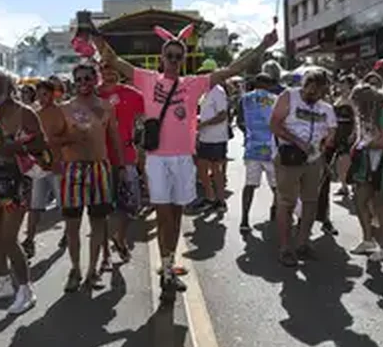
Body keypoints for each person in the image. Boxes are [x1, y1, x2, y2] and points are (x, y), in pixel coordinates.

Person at [95, 23, 278, 302]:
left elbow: (233, 70)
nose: (173, 61)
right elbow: (113, 59)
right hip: (158, 159)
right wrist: (95, 37)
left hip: (183, 158)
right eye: (169, 56)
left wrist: (264, 46)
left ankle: (168, 263)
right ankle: (167, 268)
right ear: (161, 58)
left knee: (178, 214)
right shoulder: (147, 79)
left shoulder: (193, 84)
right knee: (164, 214)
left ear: (183, 60)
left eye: (178, 57)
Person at [0, 67, 50, 314]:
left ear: (11, 87)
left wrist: (17, 148)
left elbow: (42, 144)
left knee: (9, 238)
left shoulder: (26, 113)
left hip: (18, 182)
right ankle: (3, 283)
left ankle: (26, 290)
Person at [58, 63, 124, 291]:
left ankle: (92, 270)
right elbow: (54, 139)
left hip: (99, 169)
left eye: (87, 78)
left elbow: (114, 138)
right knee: (72, 225)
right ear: (74, 82)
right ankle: (75, 269)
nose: (83, 83)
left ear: (95, 80)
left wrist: (122, 167)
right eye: (79, 79)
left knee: (98, 222)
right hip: (72, 169)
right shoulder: (64, 109)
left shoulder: (106, 107)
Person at [270, 70, 337, 266]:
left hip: (314, 160)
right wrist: (298, 142)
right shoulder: (288, 97)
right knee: (286, 202)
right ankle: (285, 248)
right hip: (290, 157)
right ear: (305, 85)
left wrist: (327, 141)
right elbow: (274, 125)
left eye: (319, 93)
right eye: (311, 92)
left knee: (311, 202)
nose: (314, 96)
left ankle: (302, 243)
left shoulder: (326, 107)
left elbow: (331, 130)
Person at [348, 84, 383, 262]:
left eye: (357, 103)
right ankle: (367, 239)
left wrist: (363, 146)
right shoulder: (369, 114)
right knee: (360, 200)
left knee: (381, 206)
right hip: (368, 165)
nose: (356, 108)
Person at [97, 61, 145, 264]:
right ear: (100, 71)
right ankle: (106, 253)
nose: (109, 74)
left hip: (126, 156)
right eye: (105, 69)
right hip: (100, 158)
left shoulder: (133, 94)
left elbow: (147, 116)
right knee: (103, 208)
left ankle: (120, 238)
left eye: (113, 70)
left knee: (131, 205)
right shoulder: (92, 95)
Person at [21, 79, 68, 258]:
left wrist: (55, 143)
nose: (41, 98)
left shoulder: (62, 112)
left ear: (53, 94)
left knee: (63, 206)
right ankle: (30, 240)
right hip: (40, 166)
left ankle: (67, 234)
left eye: (45, 94)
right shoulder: (34, 113)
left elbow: (70, 136)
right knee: (35, 206)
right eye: (39, 94)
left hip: (58, 165)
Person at [236, 73, 278, 231]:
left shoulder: (245, 99)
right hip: (271, 148)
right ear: (268, 84)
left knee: (249, 185)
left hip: (252, 148)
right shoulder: (275, 99)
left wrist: (249, 133)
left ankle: (244, 220)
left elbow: (239, 121)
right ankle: (276, 210)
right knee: (276, 186)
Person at [196, 59, 230, 212]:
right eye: (201, 74)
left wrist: (203, 124)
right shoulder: (204, 92)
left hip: (216, 138)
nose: (203, 77)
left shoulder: (218, 91)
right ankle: (210, 198)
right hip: (204, 137)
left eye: (205, 74)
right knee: (202, 169)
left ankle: (221, 201)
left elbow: (222, 115)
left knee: (216, 170)